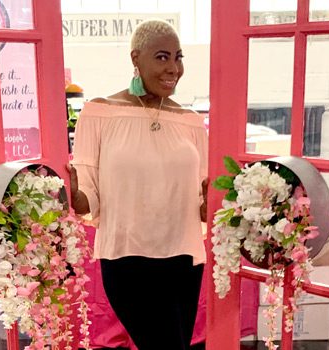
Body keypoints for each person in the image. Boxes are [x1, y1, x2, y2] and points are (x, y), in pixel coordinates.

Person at [67, 19, 208, 350]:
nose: (173, 67)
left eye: (178, 56)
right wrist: (72, 194)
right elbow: (88, 202)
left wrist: (229, 202)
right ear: (136, 58)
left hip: (183, 260)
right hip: (128, 259)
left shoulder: (190, 121)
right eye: (161, 57)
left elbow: (202, 198)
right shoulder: (100, 112)